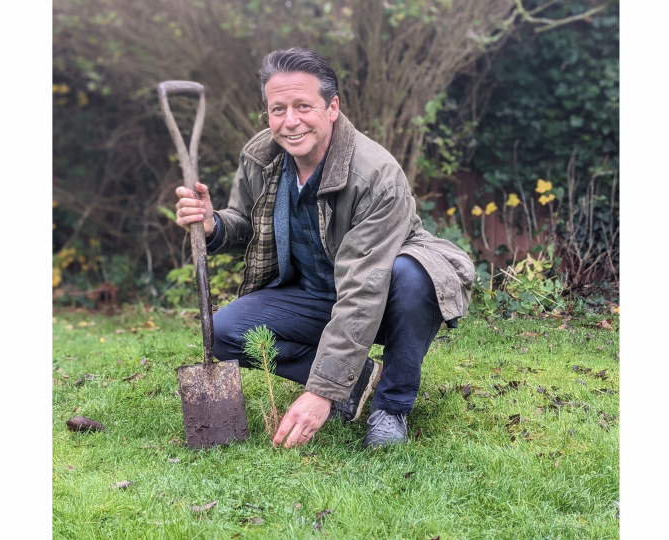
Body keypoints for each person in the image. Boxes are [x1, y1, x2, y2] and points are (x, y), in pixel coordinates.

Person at [175, 48, 474, 449]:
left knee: (412, 274)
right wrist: (214, 224)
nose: (290, 121)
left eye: (303, 106)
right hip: (312, 292)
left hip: (386, 297)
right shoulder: (261, 157)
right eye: (277, 109)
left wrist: (321, 392)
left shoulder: (377, 176)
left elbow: (365, 288)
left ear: (332, 107)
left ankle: (391, 406)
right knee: (225, 333)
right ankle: (363, 380)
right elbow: (247, 224)